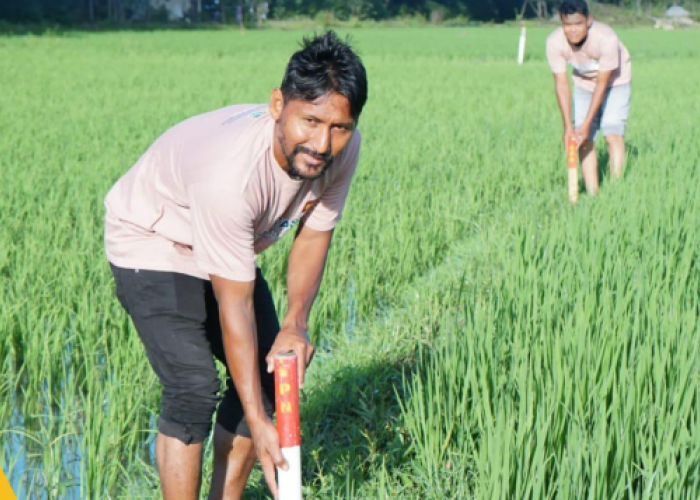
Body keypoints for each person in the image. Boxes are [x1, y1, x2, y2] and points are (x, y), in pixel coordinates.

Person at [103, 31, 367, 500]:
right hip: (156, 239)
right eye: (309, 120)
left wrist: (295, 325)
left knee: (271, 373)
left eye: (339, 127)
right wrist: (260, 420)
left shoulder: (342, 150)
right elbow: (235, 306)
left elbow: (314, 235)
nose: (323, 143)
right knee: (193, 385)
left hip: (228, 246)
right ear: (276, 105)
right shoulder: (230, 178)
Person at [546, 0, 632, 197]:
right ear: (561, 23)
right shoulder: (554, 42)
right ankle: (594, 194)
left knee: (612, 132)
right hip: (584, 83)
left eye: (578, 24)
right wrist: (569, 126)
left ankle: (615, 190)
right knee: (582, 139)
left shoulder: (606, 38)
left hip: (615, 81)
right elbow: (561, 84)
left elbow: (602, 84)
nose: (573, 30)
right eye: (568, 25)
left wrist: (586, 123)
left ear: (589, 21)